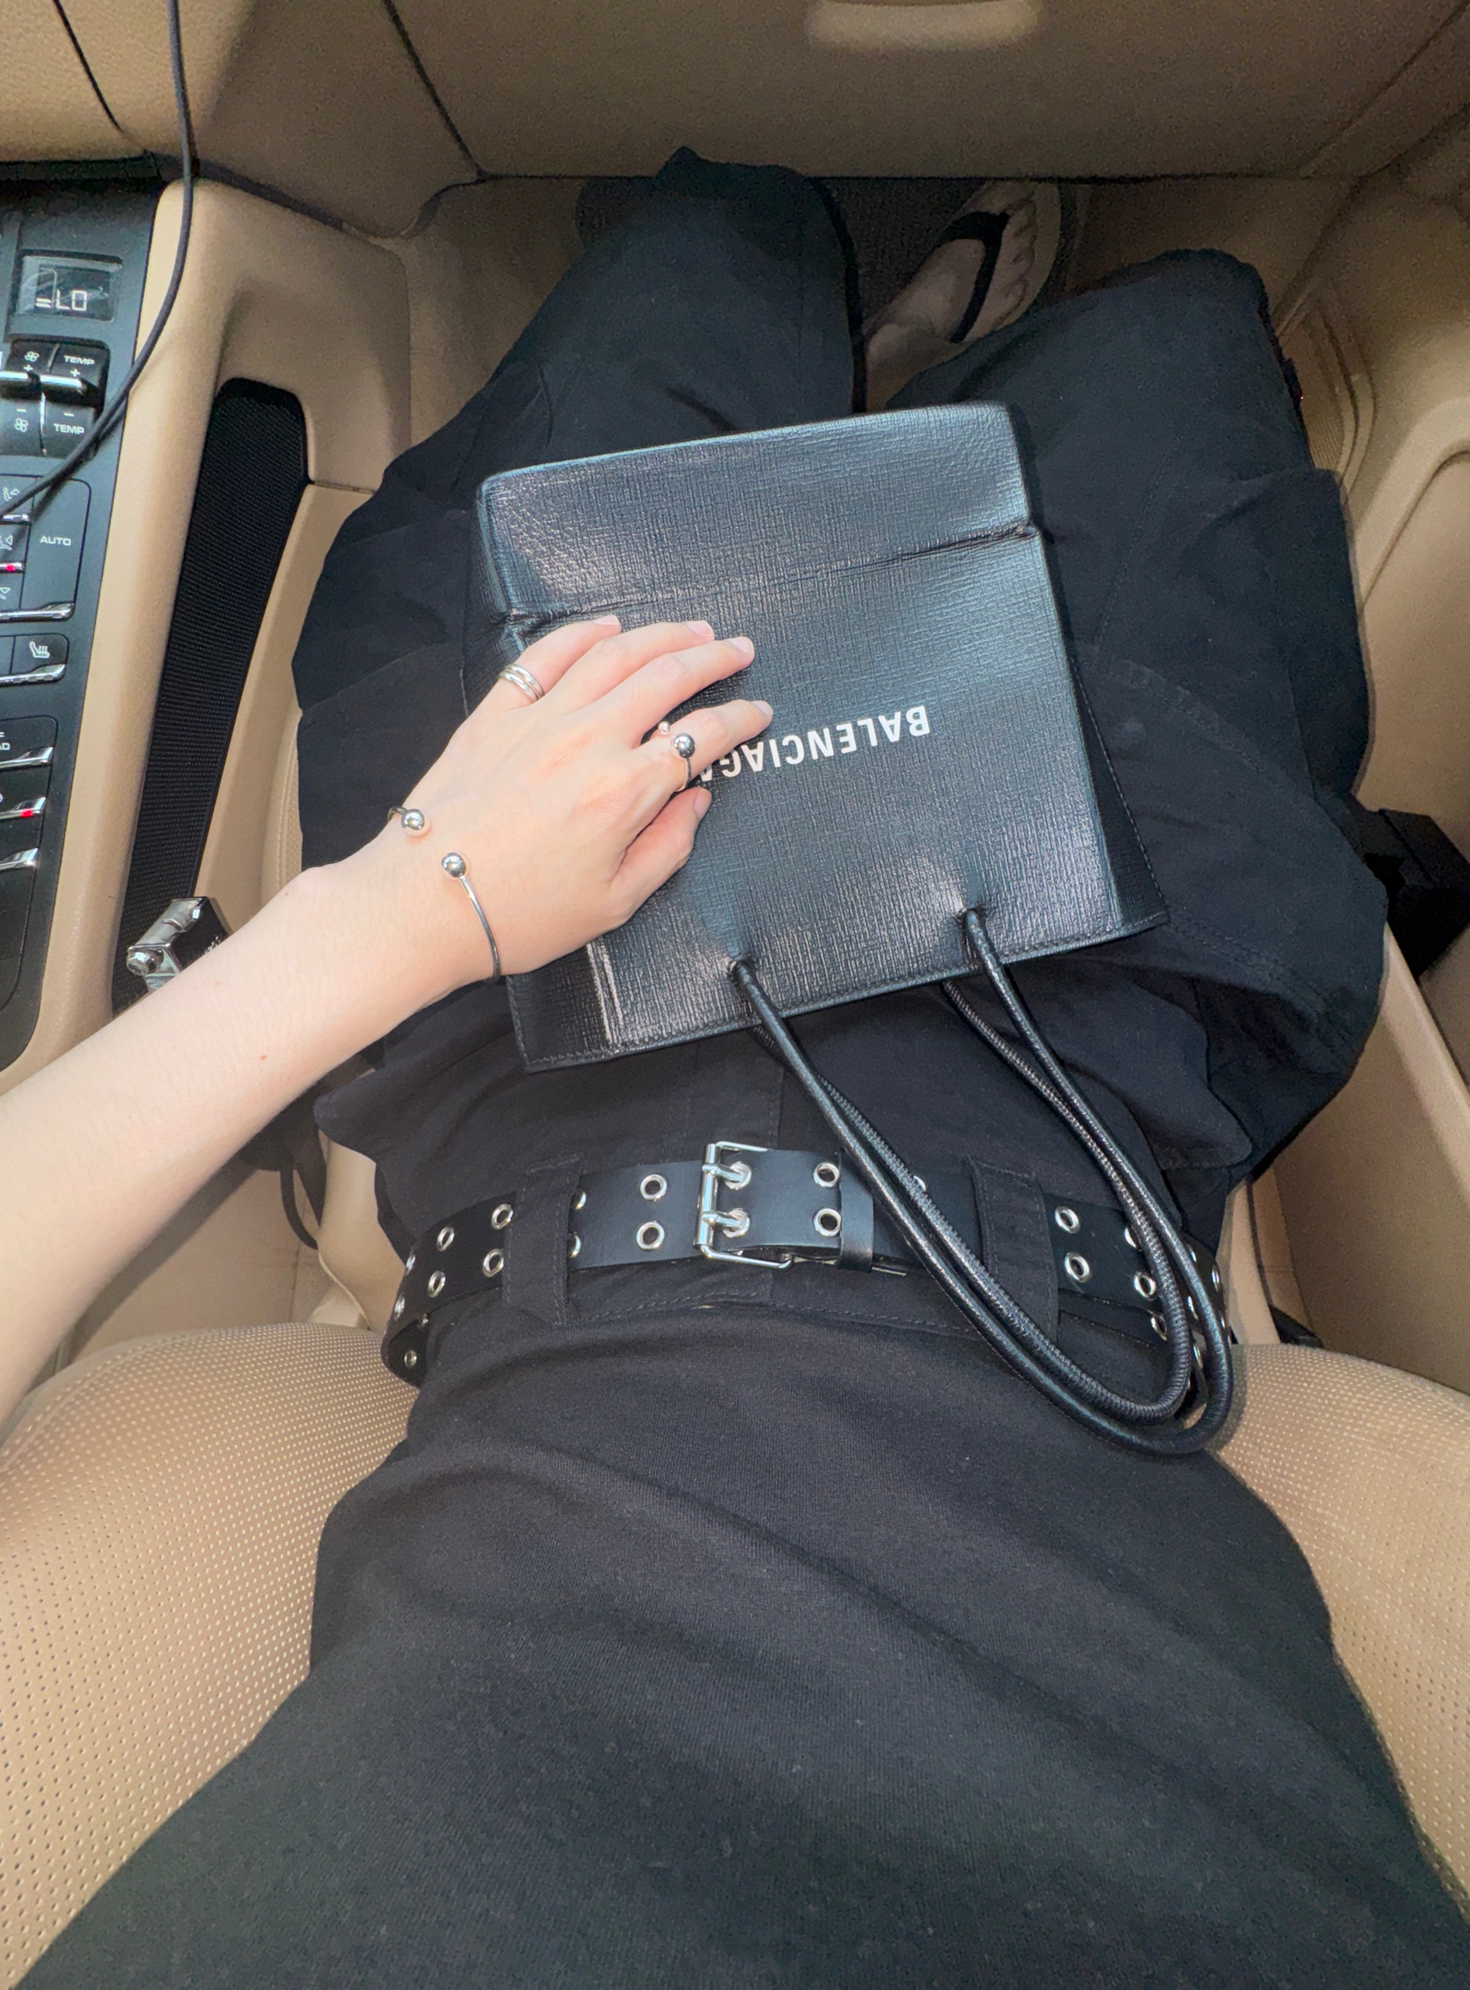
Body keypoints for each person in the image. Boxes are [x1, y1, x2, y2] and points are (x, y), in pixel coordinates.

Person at [5, 152, 1469, 1984]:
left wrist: (409, 902)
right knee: (1174, 347)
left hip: (544, 1069)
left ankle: (869, 357)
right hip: (1067, 1119)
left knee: (706, 252)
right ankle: (906, 384)